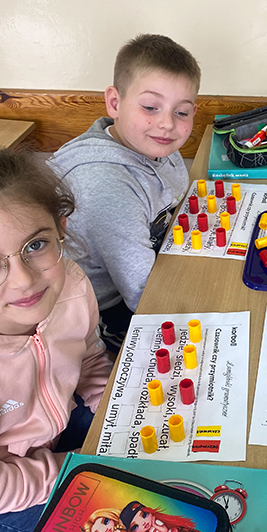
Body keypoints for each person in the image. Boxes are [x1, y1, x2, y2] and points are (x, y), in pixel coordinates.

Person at [0, 149, 112, 532]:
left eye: (36, 244)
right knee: (114, 529)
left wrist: (113, 413)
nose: (24, 280)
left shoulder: (71, 285)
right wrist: (75, 471)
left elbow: (90, 356)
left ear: (61, 228)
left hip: (60, 427)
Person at [49, 34, 200, 354]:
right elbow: (143, 294)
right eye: (150, 107)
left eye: (182, 112)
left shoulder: (154, 144)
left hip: (152, 263)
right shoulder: (106, 186)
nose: (167, 124)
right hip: (101, 312)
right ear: (115, 103)